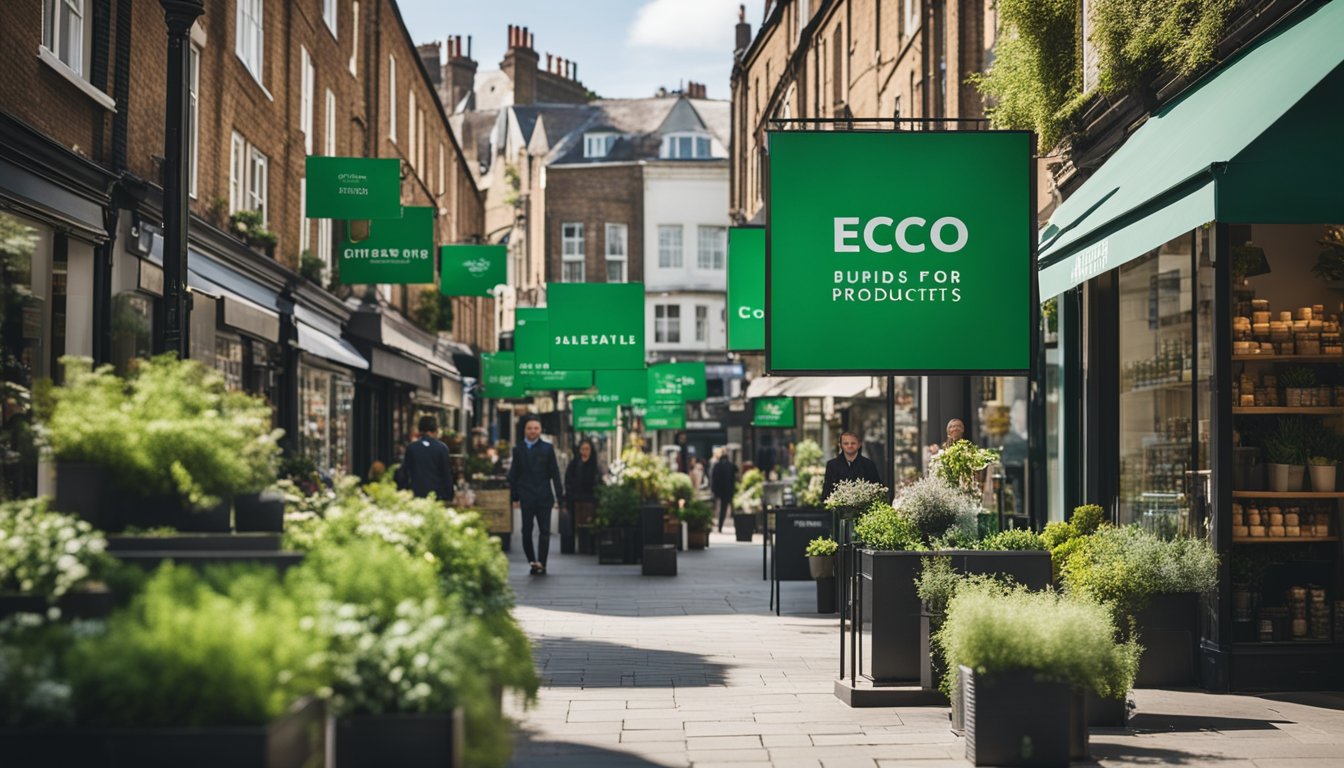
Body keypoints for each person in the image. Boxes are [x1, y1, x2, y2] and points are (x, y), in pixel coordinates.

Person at [508, 415, 564, 575]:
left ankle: (542, 563)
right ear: (525, 430)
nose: (533, 431)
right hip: (526, 496)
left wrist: (560, 498)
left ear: (540, 430)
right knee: (526, 530)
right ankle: (532, 561)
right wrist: (514, 497)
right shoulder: (518, 449)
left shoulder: (547, 448)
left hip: (544, 496)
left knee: (544, 530)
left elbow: (555, 473)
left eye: (536, 428)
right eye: (529, 428)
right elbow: (514, 474)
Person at [395, 415, 455, 502]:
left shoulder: (412, 447)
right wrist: (449, 495)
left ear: (420, 430)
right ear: (435, 430)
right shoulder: (442, 448)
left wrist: (403, 490)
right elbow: (446, 474)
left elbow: (404, 472)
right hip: (436, 495)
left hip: (416, 495)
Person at [822, 431, 883, 503]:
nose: (849, 446)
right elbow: (827, 489)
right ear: (841, 445)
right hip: (838, 509)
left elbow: (877, 488)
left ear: (859, 444)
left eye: (853, 443)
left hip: (864, 508)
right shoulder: (832, 465)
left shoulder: (868, 464)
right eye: (846, 443)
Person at [564, 438, 603, 549]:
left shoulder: (594, 465)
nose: (584, 452)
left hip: (590, 499)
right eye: (582, 449)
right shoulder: (574, 464)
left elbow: (598, 482)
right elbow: (568, 480)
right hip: (575, 499)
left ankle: (588, 544)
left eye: (587, 449)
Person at [709, 448, 738, 533]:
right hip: (729, 490)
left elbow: (713, 478)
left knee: (720, 508)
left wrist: (713, 490)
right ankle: (737, 527)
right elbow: (736, 473)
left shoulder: (717, 465)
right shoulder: (730, 465)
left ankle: (719, 526)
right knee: (731, 508)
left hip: (719, 490)